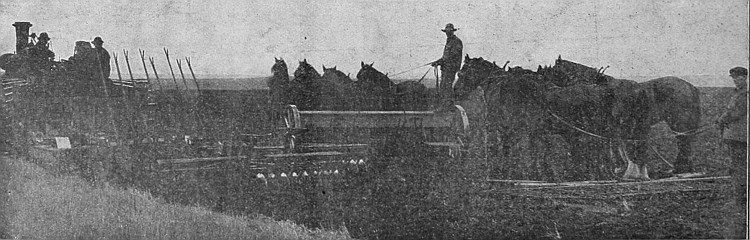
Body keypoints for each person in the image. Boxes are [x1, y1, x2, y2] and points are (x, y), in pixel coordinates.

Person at [716, 66, 747, 238]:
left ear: (745, 77)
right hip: (734, 135)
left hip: (740, 137)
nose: (736, 80)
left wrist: (721, 119)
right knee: (737, 167)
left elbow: (736, 112)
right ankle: (739, 198)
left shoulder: (744, 94)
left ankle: (739, 201)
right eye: (734, 78)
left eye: (739, 77)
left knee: (739, 168)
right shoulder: (738, 92)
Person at [431, 23, 463, 108]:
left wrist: (439, 62)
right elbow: (445, 57)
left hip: (450, 69)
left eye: (449, 31)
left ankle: (448, 106)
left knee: (446, 87)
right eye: (446, 31)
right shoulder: (449, 41)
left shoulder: (456, 41)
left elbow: (451, 57)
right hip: (445, 69)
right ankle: (444, 105)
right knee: (443, 87)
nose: (447, 33)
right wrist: (438, 62)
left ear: (452, 31)